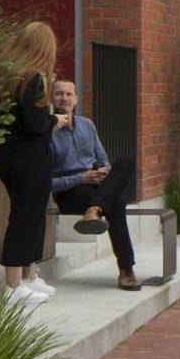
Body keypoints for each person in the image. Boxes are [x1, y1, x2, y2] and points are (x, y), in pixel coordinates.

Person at [0, 22, 61, 304]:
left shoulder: (4, 74)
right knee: (25, 215)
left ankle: (29, 275)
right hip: (30, 154)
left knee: (30, 213)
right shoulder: (33, 78)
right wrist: (55, 120)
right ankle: (14, 283)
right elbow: (35, 124)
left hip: (8, 152)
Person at [48, 78, 139, 290]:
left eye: (69, 94)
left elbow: (103, 158)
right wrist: (81, 178)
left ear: (76, 99)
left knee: (125, 163)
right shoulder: (47, 133)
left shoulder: (87, 125)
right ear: (52, 99)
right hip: (70, 191)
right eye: (59, 93)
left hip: (97, 186)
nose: (64, 98)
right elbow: (46, 183)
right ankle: (126, 270)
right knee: (117, 202)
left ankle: (95, 209)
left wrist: (102, 172)